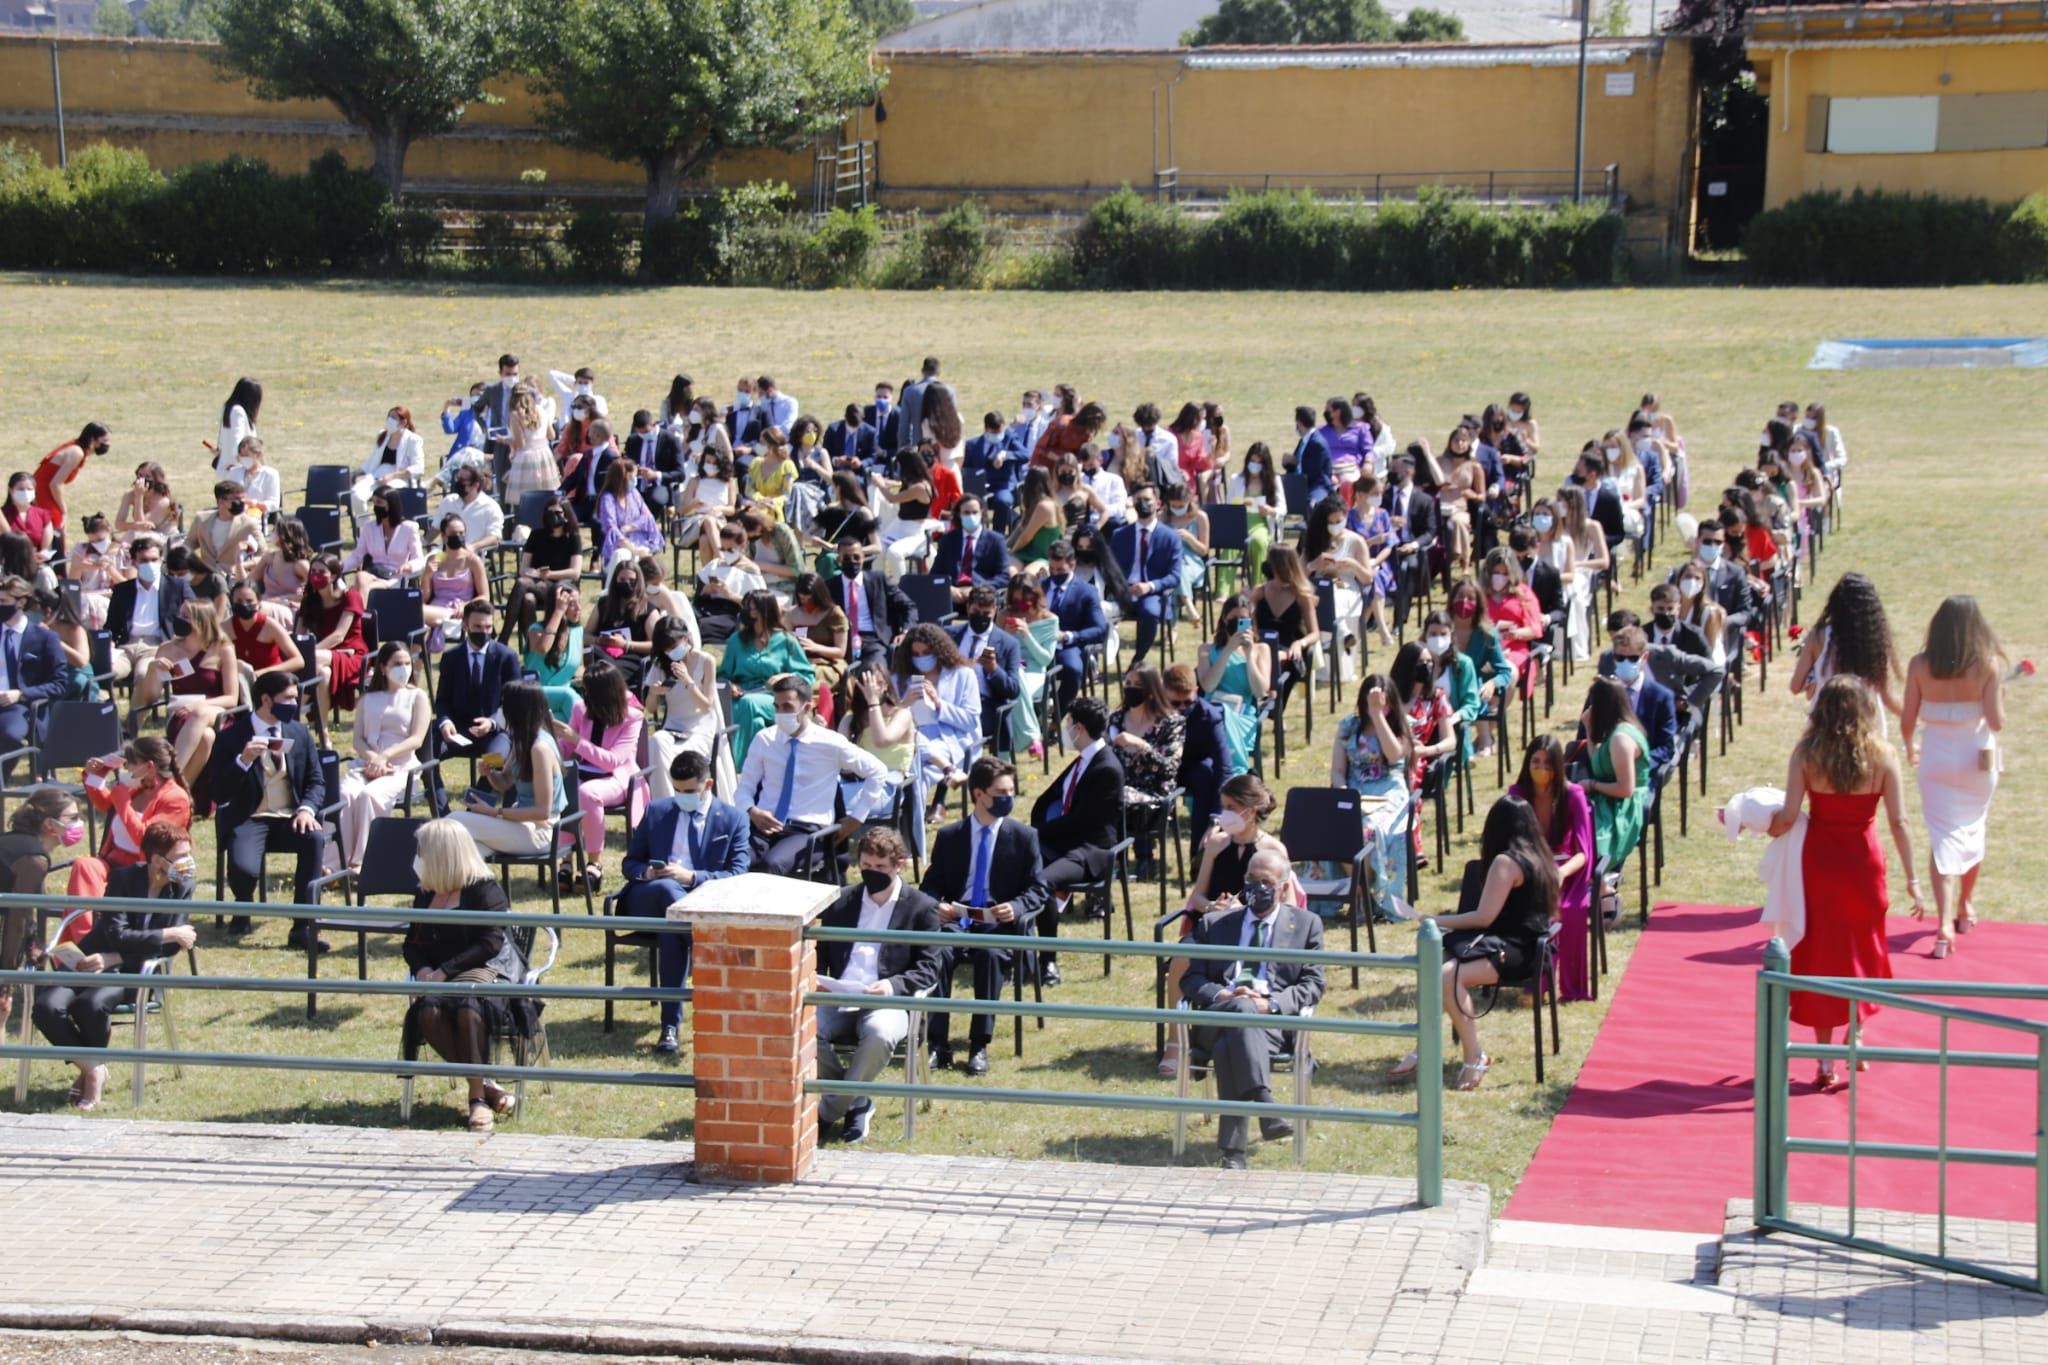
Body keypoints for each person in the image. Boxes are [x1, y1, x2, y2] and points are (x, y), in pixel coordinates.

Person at [1768, 678, 1924, 1079]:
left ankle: (1823, 1057)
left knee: (1820, 951)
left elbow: (1786, 816)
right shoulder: (1884, 756)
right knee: (1863, 948)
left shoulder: (1806, 753)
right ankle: (1855, 1030)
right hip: (1864, 864)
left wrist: (1752, 821)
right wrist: (1913, 879)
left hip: (1819, 864)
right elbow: (1900, 820)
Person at [1395, 795, 1559, 1092]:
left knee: (1447, 976)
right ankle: (1424, 1045)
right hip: (1526, 945)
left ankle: (1474, 1056)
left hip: (1518, 951)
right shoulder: (1541, 855)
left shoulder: (1505, 862)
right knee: (1435, 960)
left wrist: (1433, 919)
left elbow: (1484, 917)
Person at [32, 819, 196, 1112]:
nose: (187, 863)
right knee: (46, 1005)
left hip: (135, 971)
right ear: (157, 859)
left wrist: (116, 958)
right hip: (89, 959)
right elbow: (120, 933)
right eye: (180, 856)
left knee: (90, 1005)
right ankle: (94, 1067)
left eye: (188, 854)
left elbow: (173, 947)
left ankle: (91, 1078)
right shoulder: (123, 879)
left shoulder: (183, 886)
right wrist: (167, 933)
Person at [1181, 847, 1325, 1167]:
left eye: (1265, 881)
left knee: (1232, 1042)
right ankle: (1264, 1102)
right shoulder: (1215, 924)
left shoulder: (1306, 925)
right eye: (1250, 879)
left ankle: (1234, 1154)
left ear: (1284, 887)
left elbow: (1313, 984)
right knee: (1240, 1012)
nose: (1255, 887)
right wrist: (1224, 996)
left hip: (1271, 1025)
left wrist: (1270, 1004)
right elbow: (1191, 981)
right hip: (1216, 1017)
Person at [401, 817, 534, 1132]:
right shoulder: (426, 892)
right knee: (428, 1011)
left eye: (423, 850)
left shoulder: (485, 890)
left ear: (443, 853)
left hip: (487, 971)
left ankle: (476, 1098)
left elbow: (489, 943)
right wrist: (423, 969)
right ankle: (487, 1085)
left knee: (467, 1007)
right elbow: (411, 943)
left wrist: (444, 972)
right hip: (438, 977)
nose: (418, 857)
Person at [813, 826, 944, 1144]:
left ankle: (827, 1113)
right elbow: (819, 953)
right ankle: (858, 1100)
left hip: (888, 999)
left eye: (880, 868)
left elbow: (929, 968)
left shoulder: (921, 907)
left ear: (899, 864)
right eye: (866, 867)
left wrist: (892, 985)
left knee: (880, 1033)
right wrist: (818, 981)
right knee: (799, 1027)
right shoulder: (842, 901)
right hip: (839, 995)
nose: (872, 874)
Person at [919, 756, 1047, 1075]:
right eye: (1001, 792)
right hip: (959, 921)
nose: (1008, 798)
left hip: (997, 926)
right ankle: (938, 1043)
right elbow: (931, 885)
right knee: (939, 953)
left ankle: (979, 1045)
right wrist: (938, 906)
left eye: (1011, 791)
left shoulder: (1023, 837)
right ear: (979, 794)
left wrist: (1015, 907)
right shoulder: (951, 837)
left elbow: (1038, 889)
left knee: (990, 957)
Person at [619, 750, 751, 1054]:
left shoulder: (733, 819)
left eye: (689, 791)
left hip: (700, 902)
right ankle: (696, 943)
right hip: (649, 898)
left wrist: (691, 877)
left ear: (708, 784)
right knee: (667, 892)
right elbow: (630, 863)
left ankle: (670, 1027)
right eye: (677, 790)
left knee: (673, 929)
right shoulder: (657, 811)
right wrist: (648, 872)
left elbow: (737, 873)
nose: (681, 797)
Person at [1166, 775, 1287, 1076]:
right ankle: (1175, 1043)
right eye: (1224, 807)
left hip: (1252, 931)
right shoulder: (1217, 844)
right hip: (1212, 927)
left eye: (1231, 807)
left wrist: (1243, 910)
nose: (1225, 815)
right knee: (1181, 961)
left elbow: (1283, 905)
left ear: (1250, 809)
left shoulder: (1273, 850)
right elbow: (1198, 895)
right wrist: (1215, 908)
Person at [1902, 596, 2004, 955]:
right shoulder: (1987, 666)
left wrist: (1910, 748)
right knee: (1973, 828)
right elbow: (1996, 722)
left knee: (1944, 836)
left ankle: (1944, 921)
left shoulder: (1919, 664)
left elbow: (1907, 720)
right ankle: (1965, 906)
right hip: (1976, 757)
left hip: (1937, 758)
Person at [210, 672, 327, 945]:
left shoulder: (299, 733)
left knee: (315, 839)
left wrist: (307, 809)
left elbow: (316, 781)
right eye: (287, 698)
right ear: (265, 699)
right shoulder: (230, 738)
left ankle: (303, 926)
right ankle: (243, 909)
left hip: (289, 817)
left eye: (295, 698)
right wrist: (242, 761)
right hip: (250, 817)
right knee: (245, 870)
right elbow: (218, 791)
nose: (294, 704)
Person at [737, 675, 889, 875]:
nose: (781, 713)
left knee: (772, 865)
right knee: (734, 860)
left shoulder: (830, 743)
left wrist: (857, 817)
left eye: (788, 707)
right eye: (777, 707)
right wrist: (752, 810)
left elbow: (877, 771)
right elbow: (745, 785)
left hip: (806, 830)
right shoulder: (765, 739)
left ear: (806, 708)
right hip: (764, 825)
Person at [1028, 697, 1126, 987]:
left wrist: (1037, 834)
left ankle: (1048, 962)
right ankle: (1008, 953)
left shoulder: (1106, 768)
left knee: (1042, 883)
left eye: (1069, 724)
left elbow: (1083, 823)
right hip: (1066, 842)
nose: (1066, 730)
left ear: (1079, 728)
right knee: (1012, 865)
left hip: (1089, 852)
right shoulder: (1084, 760)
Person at [1508, 735, 1595, 1001]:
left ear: (1558, 767)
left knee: (1570, 910)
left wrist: (1561, 873)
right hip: (1530, 870)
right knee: (1536, 910)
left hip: (1567, 872)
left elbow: (1584, 852)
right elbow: (1512, 842)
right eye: (1536, 762)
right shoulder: (1517, 795)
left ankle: (1572, 987)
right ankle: (1537, 983)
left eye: (1548, 764)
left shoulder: (1573, 795)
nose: (1541, 769)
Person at [553, 656, 646, 892]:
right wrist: (555, 744)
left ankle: (594, 863)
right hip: (584, 771)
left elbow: (613, 761)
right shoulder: (580, 709)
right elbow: (566, 748)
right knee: (564, 785)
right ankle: (566, 860)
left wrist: (577, 741)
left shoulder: (632, 716)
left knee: (586, 793)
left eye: (589, 692)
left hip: (617, 778)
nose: (585, 697)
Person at [335, 641, 428, 872]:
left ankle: (364, 862)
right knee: (344, 794)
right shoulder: (367, 699)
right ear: (383, 668)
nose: (404, 668)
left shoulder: (417, 697)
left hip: (401, 768)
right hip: (366, 764)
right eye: (398, 663)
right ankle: (335, 862)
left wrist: (384, 757)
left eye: (407, 663)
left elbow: (416, 739)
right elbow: (357, 739)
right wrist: (372, 759)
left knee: (370, 795)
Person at [450, 679, 567, 857]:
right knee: (467, 850)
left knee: (453, 822)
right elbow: (504, 782)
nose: (501, 711)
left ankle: (421, 882)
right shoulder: (522, 740)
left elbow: (543, 812)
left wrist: (495, 812)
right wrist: (490, 774)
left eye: (505, 704)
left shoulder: (540, 748)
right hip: (521, 823)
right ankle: (440, 884)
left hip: (541, 833)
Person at [1331, 673, 1414, 919]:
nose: (1378, 704)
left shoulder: (1399, 725)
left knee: (1369, 829)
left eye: (1383, 700)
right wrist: (1342, 789)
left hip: (1390, 792)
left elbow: (1394, 755)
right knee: (1340, 827)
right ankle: (1359, 893)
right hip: (1357, 790)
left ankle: (1372, 896)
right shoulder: (1348, 726)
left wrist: (1379, 716)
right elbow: (1337, 770)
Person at [719, 591, 817, 771]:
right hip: (742, 695)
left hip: (776, 697)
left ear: (765, 610)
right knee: (755, 722)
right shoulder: (737, 641)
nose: (749, 613)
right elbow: (722, 676)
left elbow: (807, 675)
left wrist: (785, 677)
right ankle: (761, 767)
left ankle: (736, 767)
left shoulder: (787, 641)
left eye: (753, 609)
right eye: (747, 608)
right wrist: (730, 686)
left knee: (748, 705)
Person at [1582, 676, 1649, 923]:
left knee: (1584, 835)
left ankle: (1605, 890)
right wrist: (1589, 731)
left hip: (1623, 808)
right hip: (1608, 800)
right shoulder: (1613, 732)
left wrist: (1591, 785)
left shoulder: (1622, 738)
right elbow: (1599, 761)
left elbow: (1625, 788)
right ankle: (1601, 891)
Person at [1792, 571, 1902, 718]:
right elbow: (1887, 697)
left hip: (1825, 727)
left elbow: (1795, 686)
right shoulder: (1875, 642)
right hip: (1865, 728)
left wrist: (1814, 677)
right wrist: (1919, 717)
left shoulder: (1818, 638)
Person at [1109, 665, 1184, 877]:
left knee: (1118, 797)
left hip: (1155, 792)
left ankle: (1143, 857)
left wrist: (1143, 746)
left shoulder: (1171, 723)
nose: (1131, 689)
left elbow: (1169, 768)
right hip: (1121, 789)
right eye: (1128, 684)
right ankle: (1111, 859)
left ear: (1151, 689)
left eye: (1138, 685)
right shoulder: (1116, 720)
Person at [645, 617, 725, 802]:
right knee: (656, 741)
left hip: (699, 729)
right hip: (673, 727)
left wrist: (688, 681)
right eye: (667, 649)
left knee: (667, 752)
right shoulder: (661, 665)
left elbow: (706, 706)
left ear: (686, 638)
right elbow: (650, 709)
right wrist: (654, 693)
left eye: (675, 645)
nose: (672, 652)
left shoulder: (706, 661)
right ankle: (665, 803)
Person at [83, 737, 191, 872]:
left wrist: (123, 803)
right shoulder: (138, 787)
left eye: (130, 763)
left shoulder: (176, 799)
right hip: (111, 862)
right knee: (84, 866)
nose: (126, 768)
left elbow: (146, 840)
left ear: (149, 767)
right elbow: (107, 806)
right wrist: (96, 776)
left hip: (142, 872)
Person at [0, 574, 68, 778]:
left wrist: (20, 694)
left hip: (19, 705)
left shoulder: (44, 638)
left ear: (21, 602)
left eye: (3, 601)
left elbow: (59, 684)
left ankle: (3, 774)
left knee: (10, 734)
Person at [1197, 594, 1272, 776]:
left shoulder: (1261, 650)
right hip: (1212, 709)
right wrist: (1228, 650)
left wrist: (1249, 655)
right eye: (1234, 619)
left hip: (1242, 714)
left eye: (1243, 619)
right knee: (1220, 713)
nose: (1238, 623)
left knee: (1224, 716)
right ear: (1224, 619)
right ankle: (1235, 773)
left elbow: (1260, 691)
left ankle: (1234, 773)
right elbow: (1208, 686)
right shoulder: (1206, 650)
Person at [436, 599, 520, 761]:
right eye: (477, 627)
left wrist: (492, 721)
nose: (484, 632)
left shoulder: (506, 657)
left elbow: (516, 702)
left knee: (495, 761)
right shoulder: (450, 658)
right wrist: (445, 722)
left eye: (488, 627)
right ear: (465, 626)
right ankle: (436, 788)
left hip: (495, 731)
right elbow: (442, 700)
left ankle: (480, 788)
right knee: (425, 752)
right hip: (458, 728)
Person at [1108, 483, 1180, 669]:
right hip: (1123, 593)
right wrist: (1121, 586)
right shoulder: (1120, 535)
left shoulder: (1170, 537)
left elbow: (1175, 576)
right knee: (1097, 609)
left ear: (1157, 503)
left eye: (1147, 500)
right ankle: (1093, 664)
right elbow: (1109, 568)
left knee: (1150, 612)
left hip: (1151, 593)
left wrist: (1150, 586)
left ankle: (1137, 660)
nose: (1143, 504)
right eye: (1138, 500)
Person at [1165, 661, 1232, 857]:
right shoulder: (1153, 711)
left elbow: (1224, 766)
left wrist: (1217, 815)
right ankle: (1144, 857)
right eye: (1176, 703)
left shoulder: (1209, 716)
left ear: (1196, 691)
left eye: (1188, 702)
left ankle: (1200, 852)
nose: (1183, 709)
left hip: (1192, 767)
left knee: (1207, 775)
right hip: (1159, 767)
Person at [945, 585, 1020, 753]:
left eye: (986, 614)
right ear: (967, 608)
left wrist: (994, 669)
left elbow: (1013, 690)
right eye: (976, 612)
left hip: (984, 705)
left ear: (995, 611)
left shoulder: (1008, 644)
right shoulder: (949, 635)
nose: (981, 618)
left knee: (959, 729)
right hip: (949, 700)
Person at [504, 495, 585, 644]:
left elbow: (575, 572)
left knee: (522, 584)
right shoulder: (536, 535)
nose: (553, 517)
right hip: (536, 584)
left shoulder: (573, 538)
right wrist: (536, 574)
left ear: (566, 515)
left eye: (558, 513)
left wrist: (550, 574)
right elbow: (524, 568)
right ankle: (533, 643)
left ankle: (504, 637)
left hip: (562, 587)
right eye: (549, 513)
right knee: (528, 599)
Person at [295, 555, 369, 717]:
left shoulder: (350, 596)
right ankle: (324, 733)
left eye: (321, 571)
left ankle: (294, 707)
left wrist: (308, 652)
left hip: (352, 654)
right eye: (313, 571)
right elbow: (299, 635)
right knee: (323, 674)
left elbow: (339, 636)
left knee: (312, 658)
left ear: (334, 576)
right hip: (324, 655)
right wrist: (300, 650)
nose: (315, 575)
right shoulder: (309, 600)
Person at [1041, 540, 1108, 717]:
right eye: (1052, 569)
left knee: (1073, 669)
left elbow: (1099, 628)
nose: (1055, 574)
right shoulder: (1040, 586)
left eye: (1060, 570)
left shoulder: (1086, 591)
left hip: (1068, 646)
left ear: (1072, 564)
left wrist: (1069, 636)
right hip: (1037, 645)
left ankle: (1058, 715)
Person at [104, 536, 184, 682]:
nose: (150, 564)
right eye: (144, 560)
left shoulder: (177, 587)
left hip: (157, 647)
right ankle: (106, 704)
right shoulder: (122, 590)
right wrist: (109, 644)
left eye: (154, 560)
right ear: (134, 562)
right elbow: (111, 626)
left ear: (161, 560)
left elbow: (193, 617)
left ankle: (138, 705)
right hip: (126, 647)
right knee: (107, 673)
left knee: (143, 674)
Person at [1601, 624, 1680, 771]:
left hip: (1643, 772)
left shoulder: (1661, 697)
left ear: (1645, 657)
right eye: (1620, 657)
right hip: (1606, 770)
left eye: (1632, 658)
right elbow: (1586, 737)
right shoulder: (1602, 693)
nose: (1626, 662)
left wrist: (1638, 765)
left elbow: (1666, 747)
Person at [1251, 547, 1320, 716]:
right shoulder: (1260, 592)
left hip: (1290, 649)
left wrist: (1299, 643)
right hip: (1262, 646)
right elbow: (1250, 624)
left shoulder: (1301, 596)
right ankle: (1264, 701)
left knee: (1280, 660)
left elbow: (1315, 633)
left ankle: (1273, 704)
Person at [828, 536, 915, 668]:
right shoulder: (829, 586)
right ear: (838, 560)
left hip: (874, 640)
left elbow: (908, 606)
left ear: (863, 558)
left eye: (856, 557)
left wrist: (905, 632)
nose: (852, 561)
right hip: (842, 640)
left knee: (873, 671)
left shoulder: (878, 579)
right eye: (846, 558)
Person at [1000, 574, 1057, 758]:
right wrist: (1006, 637)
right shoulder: (1004, 615)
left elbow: (1045, 660)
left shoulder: (1050, 620)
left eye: (1025, 601)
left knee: (1011, 687)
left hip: (1035, 672)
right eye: (1016, 602)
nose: (1021, 606)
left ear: (1035, 597)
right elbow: (993, 650)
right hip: (1008, 668)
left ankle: (1007, 753)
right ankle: (1032, 735)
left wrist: (1027, 635)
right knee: (1012, 679)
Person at [420, 514, 489, 648]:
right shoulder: (436, 559)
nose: (458, 536)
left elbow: (485, 596)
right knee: (418, 627)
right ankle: (415, 668)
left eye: (461, 533)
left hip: (458, 611)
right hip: (435, 608)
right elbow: (425, 596)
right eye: (453, 533)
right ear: (444, 536)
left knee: (416, 614)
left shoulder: (472, 560)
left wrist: (466, 605)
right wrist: (427, 576)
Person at [1230, 441, 1287, 590]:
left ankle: (1257, 586)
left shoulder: (1274, 480)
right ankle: (1224, 590)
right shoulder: (1237, 480)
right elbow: (1227, 505)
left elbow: (1282, 508)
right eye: (1252, 461)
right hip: (1239, 522)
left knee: (1259, 542)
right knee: (1228, 546)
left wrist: (1270, 510)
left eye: (1259, 462)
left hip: (1261, 524)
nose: (1254, 465)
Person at [523, 584, 584, 722]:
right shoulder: (536, 630)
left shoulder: (577, 631)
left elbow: (579, 667)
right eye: (571, 604)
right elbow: (543, 648)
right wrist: (558, 611)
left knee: (560, 719)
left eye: (579, 602)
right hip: (535, 691)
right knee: (568, 696)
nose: (578, 608)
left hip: (563, 698)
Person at [227, 579, 304, 684]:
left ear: (258, 602)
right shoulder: (225, 627)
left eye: (249, 601)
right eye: (239, 601)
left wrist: (261, 673)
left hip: (272, 682)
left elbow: (298, 661)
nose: (244, 605)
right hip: (239, 683)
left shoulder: (270, 626)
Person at [34, 421, 107, 532]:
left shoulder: (77, 448)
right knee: (57, 528)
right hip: (44, 493)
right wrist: (63, 509)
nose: (107, 444)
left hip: (42, 491)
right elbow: (55, 484)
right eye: (105, 441)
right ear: (93, 439)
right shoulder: (76, 453)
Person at [185, 481, 262, 578]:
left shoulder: (249, 523)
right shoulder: (201, 519)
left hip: (233, 577)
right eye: (236, 499)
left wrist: (242, 565)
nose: (241, 503)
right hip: (206, 577)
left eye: (243, 499)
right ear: (221, 501)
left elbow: (263, 553)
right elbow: (190, 543)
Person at [502, 382, 560, 506]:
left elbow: (521, 443)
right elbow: (552, 435)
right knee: (546, 494)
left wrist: (504, 440)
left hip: (526, 457)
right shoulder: (541, 410)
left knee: (526, 498)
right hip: (544, 454)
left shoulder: (515, 415)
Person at [437, 466, 505, 555]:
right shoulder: (448, 501)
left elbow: (495, 537)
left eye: (462, 480)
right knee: (427, 565)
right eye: (457, 478)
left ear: (476, 484)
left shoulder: (490, 507)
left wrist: (474, 547)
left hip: (470, 555)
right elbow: (435, 528)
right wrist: (424, 541)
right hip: (444, 554)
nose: (458, 483)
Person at [115, 462, 179, 544]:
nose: (142, 479)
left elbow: (142, 527)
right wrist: (135, 526)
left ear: (156, 480)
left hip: (166, 540)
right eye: (140, 475)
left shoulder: (163, 501)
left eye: (148, 477)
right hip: (143, 537)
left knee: (133, 533)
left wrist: (139, 496)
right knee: (131, 534)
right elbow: (118, 524)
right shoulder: (129, 495)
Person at [214, 378, 262, 480]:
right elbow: (237, 441)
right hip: (239, 470)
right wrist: (240, 462)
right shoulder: (238, 412)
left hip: (231, 469)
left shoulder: (229, 408)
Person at [230, 434, 282, 517]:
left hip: (257, 517)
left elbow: (274, 504)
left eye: (246, 456)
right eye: (241, 456)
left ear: (257, 455)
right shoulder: (234, 472)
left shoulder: (270, 474)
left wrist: (254, 503)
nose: (243, 459)